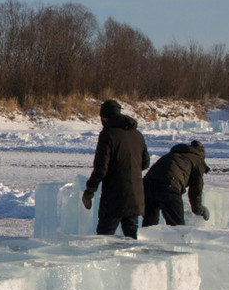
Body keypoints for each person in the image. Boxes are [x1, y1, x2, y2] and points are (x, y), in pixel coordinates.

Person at [82, 99, 150, 238]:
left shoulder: (107, 134)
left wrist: (89, 191)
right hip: (135, 196)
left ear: (104, 118)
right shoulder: (137, 135)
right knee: (131, 240)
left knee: (103, 240)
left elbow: (101, 169)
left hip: (114, 198)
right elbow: (145, 163)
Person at [142, 140, 211, 227]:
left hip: (147, 185)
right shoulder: (197, 159)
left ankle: (147, 239)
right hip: (168, 186)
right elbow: (196, 189)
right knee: (177, 226)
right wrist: (198, 209)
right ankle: (177, 240)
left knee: (150, 224)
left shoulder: (173, 154)